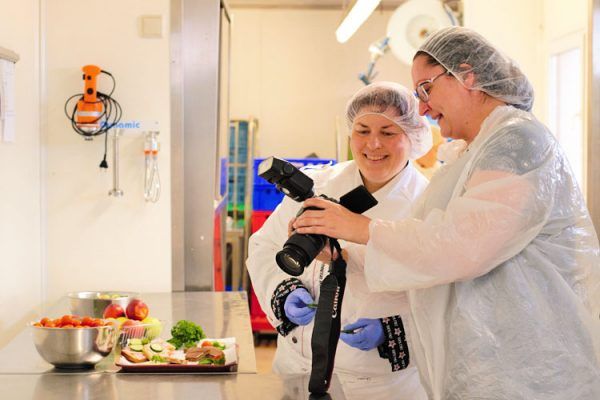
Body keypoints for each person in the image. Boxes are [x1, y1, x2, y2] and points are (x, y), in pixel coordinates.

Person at [292, 26, 600, 400]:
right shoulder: (473, 154)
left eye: (426, 88)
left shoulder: (517, 142)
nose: (422, 107)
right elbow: (430, 253)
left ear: (467, 75)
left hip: (530, 372)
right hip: (490, 367)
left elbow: (461, 246)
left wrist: (361, 228)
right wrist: (347, 256)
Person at [246, 81, 432, 399]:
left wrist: (396, 331)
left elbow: (446, 297)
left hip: (380, 384)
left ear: (413, 137)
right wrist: (283, 291)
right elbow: (264, 246)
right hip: (296, 369)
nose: (373, 144)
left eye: (388, 132)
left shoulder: (428, 205)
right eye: (362, 130)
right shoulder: (318, 184)